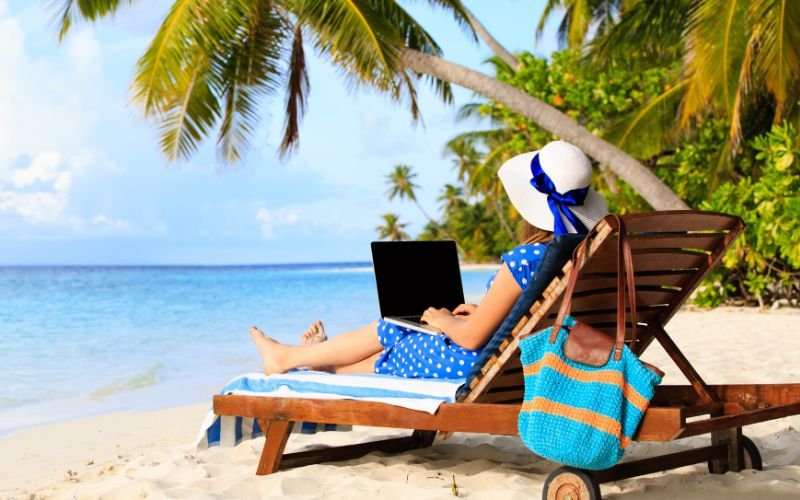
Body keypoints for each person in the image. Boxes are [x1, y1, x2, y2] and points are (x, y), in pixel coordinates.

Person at [249, 141, 608, 378]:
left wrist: (446, 319)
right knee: (408, 328)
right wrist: (479, 314)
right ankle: (312, 358)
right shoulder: (585, 255)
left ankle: (301, 360)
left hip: (485, 365)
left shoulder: (527, 258)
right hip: (527, 362)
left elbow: (469, 341)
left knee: (404, 329)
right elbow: (530, 315)